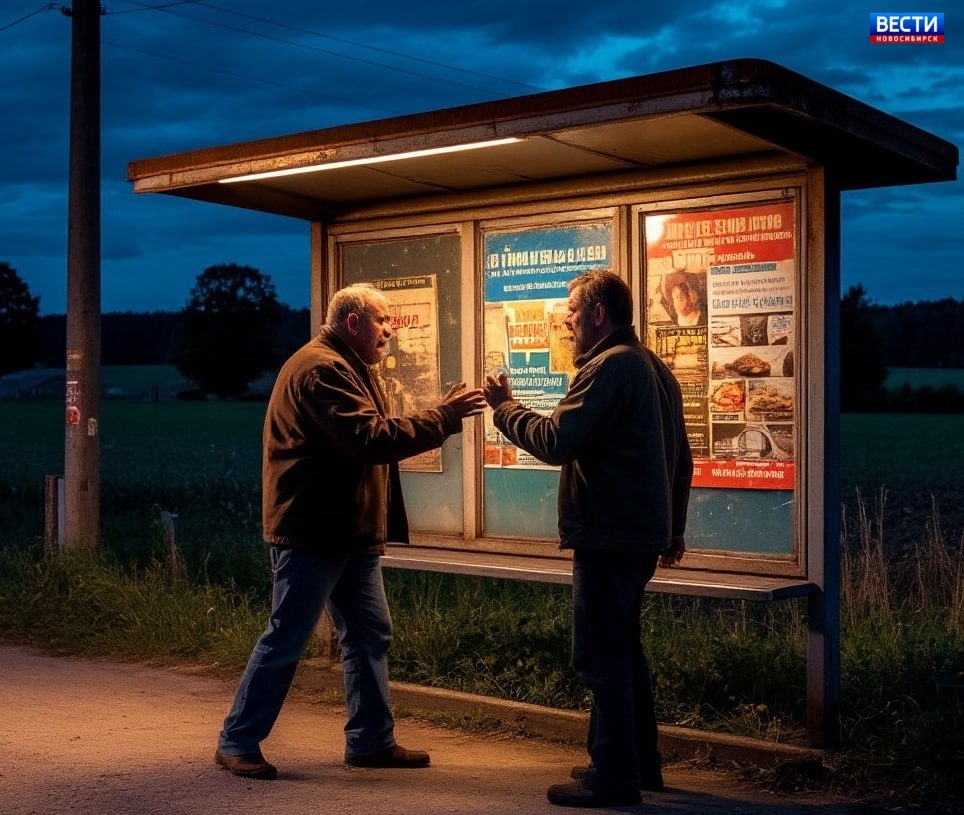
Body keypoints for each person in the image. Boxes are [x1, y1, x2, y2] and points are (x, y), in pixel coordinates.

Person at [215, 282, 486, 780]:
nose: (391, 329)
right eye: (383, 321)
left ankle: (370, 741)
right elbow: (369, 438)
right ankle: (238, 740)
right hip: (314, 531)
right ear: (353, 322)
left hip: (344, 531)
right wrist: (443, 418)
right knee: (288, 637)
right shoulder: (323, 370)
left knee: (368, 634)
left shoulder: (344, 367)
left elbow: (364, 438)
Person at [483, 270, 693, 808]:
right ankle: (636, 762)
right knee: (624, 651)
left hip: (609, 533)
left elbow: (558, 440)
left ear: (598, 313)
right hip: (638, 534)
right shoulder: (653, 367)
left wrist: (504, 409)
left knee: (600, 656)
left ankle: (613, 776)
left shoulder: (609, 367)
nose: (567, 323)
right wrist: (671, 529)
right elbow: (681, 459)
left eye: (573, 314)